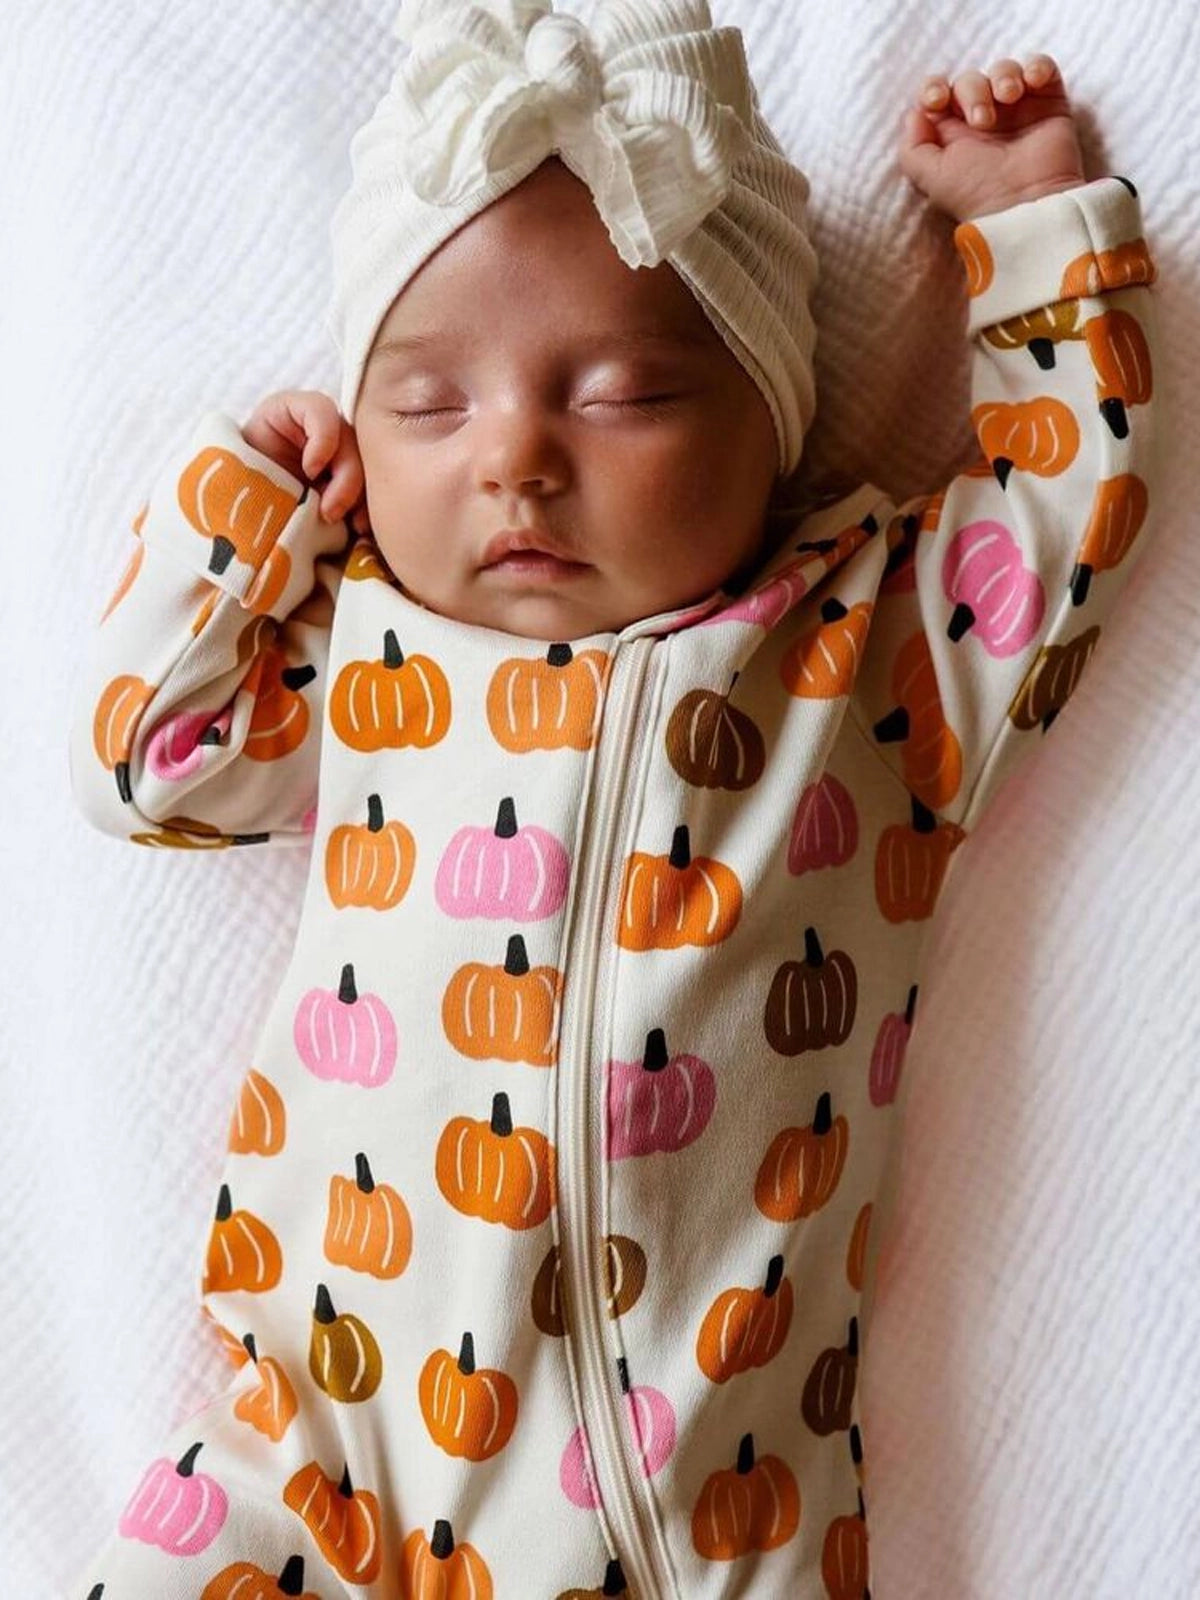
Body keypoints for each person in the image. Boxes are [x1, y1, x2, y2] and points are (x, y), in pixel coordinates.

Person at [66, 2, 1159, 1595]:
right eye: (430, 405)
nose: (513, 457)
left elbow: (1062, 527)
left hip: (704, 1499)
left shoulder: (866, 659)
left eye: (623, 396)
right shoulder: (371, 649)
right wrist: (251, 514)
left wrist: (1034, 227)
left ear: (768, 418)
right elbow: (144, 762)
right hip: (315, 1453)